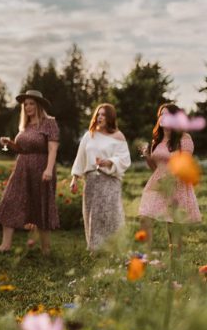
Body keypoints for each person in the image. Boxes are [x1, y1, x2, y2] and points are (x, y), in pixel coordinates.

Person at [0, 90, 60, 253]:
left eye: (31, 103)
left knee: (40, 205)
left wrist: (49, 169)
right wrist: (9, 142)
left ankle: (46, 248)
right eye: (25, 104)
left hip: (42, 168)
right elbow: (21, 149)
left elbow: (52, 148)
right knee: (10, 200)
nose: (28, 107)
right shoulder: (25, 126)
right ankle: (5, 246)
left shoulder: (49, 123)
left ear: (38, 105)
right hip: (22, 168)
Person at [138, 103, 201, 246]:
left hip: (175, 184)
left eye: (167, 115)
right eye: (161, 114)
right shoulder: (157, 140)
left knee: (172, 227)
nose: (163, 117)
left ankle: (176, 265)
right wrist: (147, 156)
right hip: (157, 183)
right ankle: (146, 256)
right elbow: (154, 168)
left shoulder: (184, 139)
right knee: (144, 217)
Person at [70, 103, 131, 250]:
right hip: (91, 180)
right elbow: (80, 157)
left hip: (110, 180)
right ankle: (95, 249)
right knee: (92, 215)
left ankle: (115, 247)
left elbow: (125, 159)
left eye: (103, 114)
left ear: (110, 117)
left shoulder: (118, 136)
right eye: (98, 114)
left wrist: (109, 161)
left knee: (111, 215)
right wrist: (74, 179)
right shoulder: (89, 135)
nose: (100, 117)